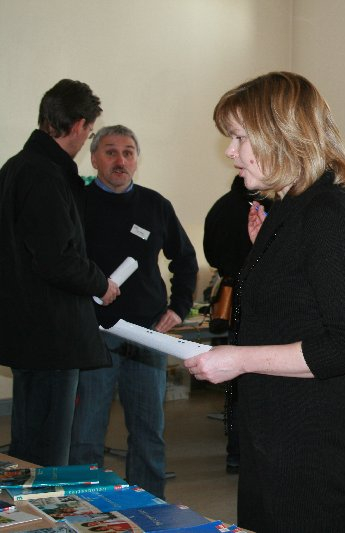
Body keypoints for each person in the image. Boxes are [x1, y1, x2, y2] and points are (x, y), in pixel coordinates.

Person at [185, 71, 345, 532]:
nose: (230, 151)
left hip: (304, 443)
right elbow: (291, 305)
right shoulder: (289, 208)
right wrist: (264, 252)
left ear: (281, 134)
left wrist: (238, 360)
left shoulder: (326, 211)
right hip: (270, 432)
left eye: (239, 137)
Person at [69, 125, 198, 499]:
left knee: (148, 432)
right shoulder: (77, 203)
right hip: (94, 334)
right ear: (94, 159)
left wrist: (179, 307)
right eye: (110, 152)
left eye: (128, 152)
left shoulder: (155, 205)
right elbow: (61, 262)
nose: (120, 160)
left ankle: (149, 508)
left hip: (146, 334)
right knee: (86, 433)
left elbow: (185, 259)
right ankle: (85, 509)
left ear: (136, 160)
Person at [0, 79, 119, 466]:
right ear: (79, 125)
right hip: (51, 332)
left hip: (26, 328)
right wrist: (100, 283)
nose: (86, 140)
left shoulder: (16, 167)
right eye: (90, 132)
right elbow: (56, 259)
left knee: (27, 449)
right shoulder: (45, 175)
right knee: (46, 457)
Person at [203, 174, 271, 474]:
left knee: (236, 379)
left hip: (231, 296)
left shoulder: (220, 207)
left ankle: (235, 451)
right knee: (259, 377)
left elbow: (210, 253)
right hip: (262, 298)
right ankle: (255, 451)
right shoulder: (267, 209)